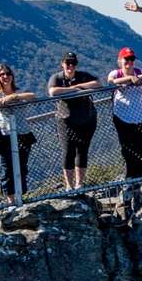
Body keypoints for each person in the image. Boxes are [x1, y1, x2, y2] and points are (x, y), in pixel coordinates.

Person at [0, 63, 38, 201]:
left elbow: (33, 96)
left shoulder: (19, 91)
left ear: (12, 75)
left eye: (7, 73)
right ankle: (11, 201)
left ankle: (20, 197)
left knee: (22, 167)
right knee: (7, 168)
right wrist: (3, 100)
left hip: (23, 133)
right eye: (2, 74)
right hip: (3, 134)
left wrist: (14, 97)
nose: (5, 76)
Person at [47, 52, 101, 190]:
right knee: (68, 152)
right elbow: (53, 91)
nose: (70, 66)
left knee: (82, 151)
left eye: (73, 63)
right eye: (67, 63)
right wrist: (71, 89)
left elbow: (98, 83)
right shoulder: (57, 78)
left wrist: (81, 87)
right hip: (66, 121)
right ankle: (69, 186)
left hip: (86, 119)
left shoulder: (82, 76)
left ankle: (79, 184)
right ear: (62, 64)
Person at [108, 47, 142, 180]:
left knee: (139, 147)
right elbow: (110, 81)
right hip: (122, 118)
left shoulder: (139, 72)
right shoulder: (116, 73)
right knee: (127, 148)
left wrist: (137, 77)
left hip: (141, 117)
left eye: (132, 59)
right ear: (120, 60)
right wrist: (129, 78)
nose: (130, 62)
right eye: (127, 59)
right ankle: (130, 176)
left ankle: (139, 176)